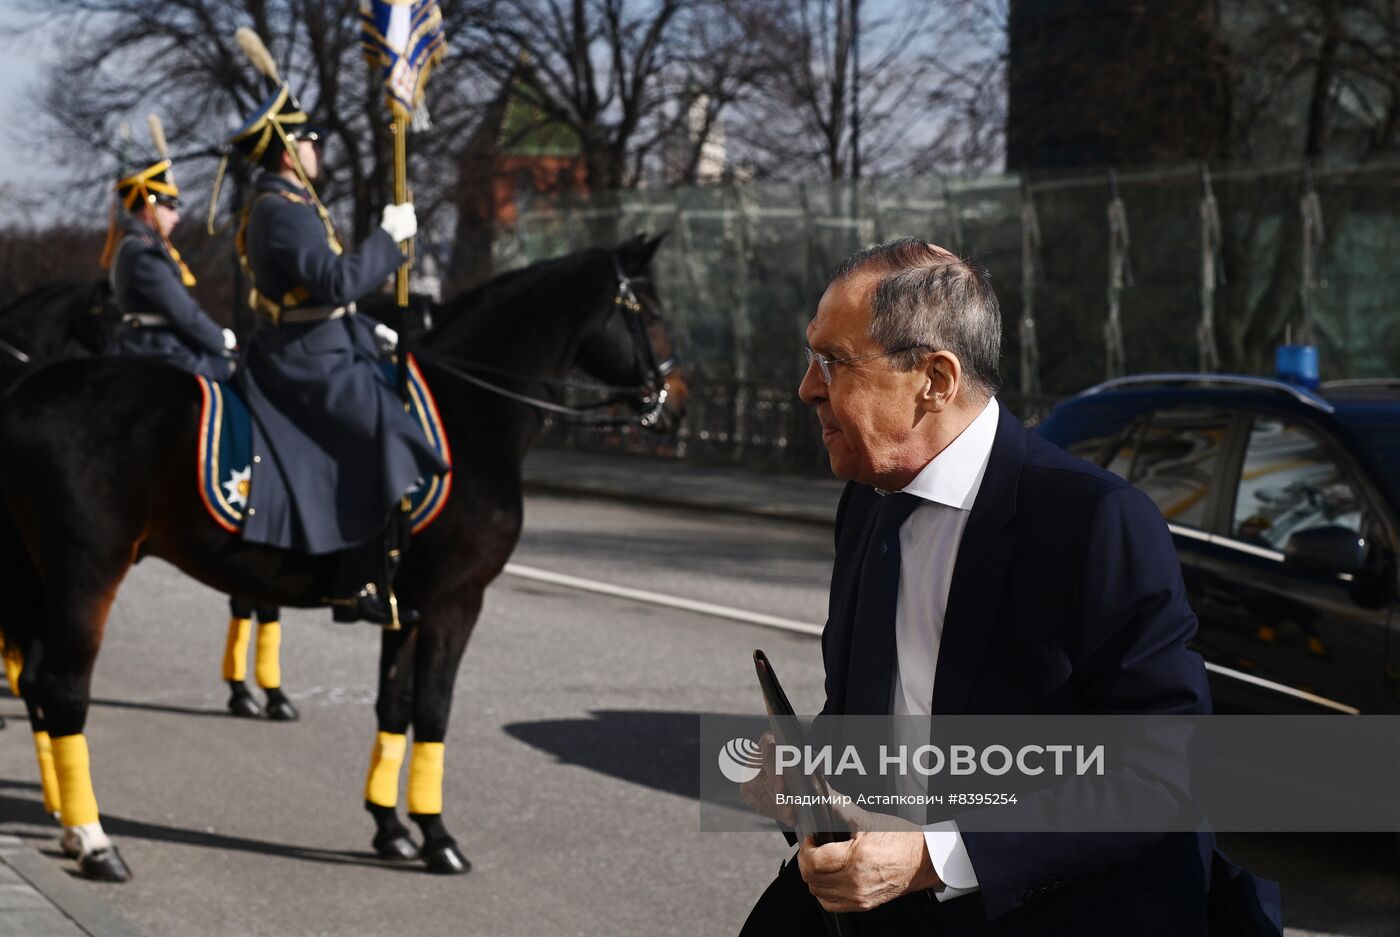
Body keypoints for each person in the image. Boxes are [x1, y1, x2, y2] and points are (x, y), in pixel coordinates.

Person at [739, 238, 1281, 936]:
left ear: (934, 378)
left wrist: (934, 857)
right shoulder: (869, 499)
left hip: (1047, 902)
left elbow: (1160, 773)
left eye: (833, 362)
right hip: (879, 890)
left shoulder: (1094, 520)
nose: (808, 387)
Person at [220, 82, 447, 626]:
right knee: (384, 432)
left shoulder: (289, 204)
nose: (317, 149)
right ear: (286, 150)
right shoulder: (282, 209)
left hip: (324, 342)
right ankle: (354, 580)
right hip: (305, 359)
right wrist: (388, 240)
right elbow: (335, 282)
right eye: (310, 141)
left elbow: (322, 296)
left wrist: (367, 328)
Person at [102, 155, 235, 380]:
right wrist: (220, 341)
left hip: (154, 343)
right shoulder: (143, 253)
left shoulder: (136, 245)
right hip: (159, 348)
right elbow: (184, 314)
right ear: (149, 207)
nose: (176, 217)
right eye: (170, 207)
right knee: (233, 374)